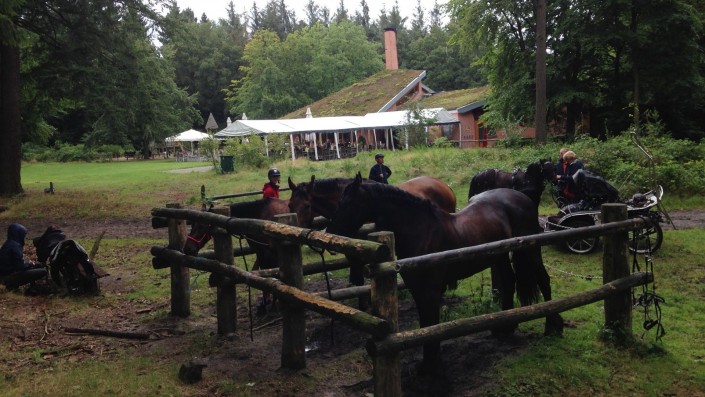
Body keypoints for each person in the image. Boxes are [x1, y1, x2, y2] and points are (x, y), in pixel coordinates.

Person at [0, 224, 47, 290]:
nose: (23, 237)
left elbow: (16, 262)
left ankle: (13, 287)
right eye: (23, 235)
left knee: (31, 267)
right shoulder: (15, 246)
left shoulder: (8, 243)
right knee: (43, 271)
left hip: (3, 275)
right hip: (8, 277)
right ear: (18, 234)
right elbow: (20, 266)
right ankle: (31, 289)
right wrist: (33, 264)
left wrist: (30, 264)